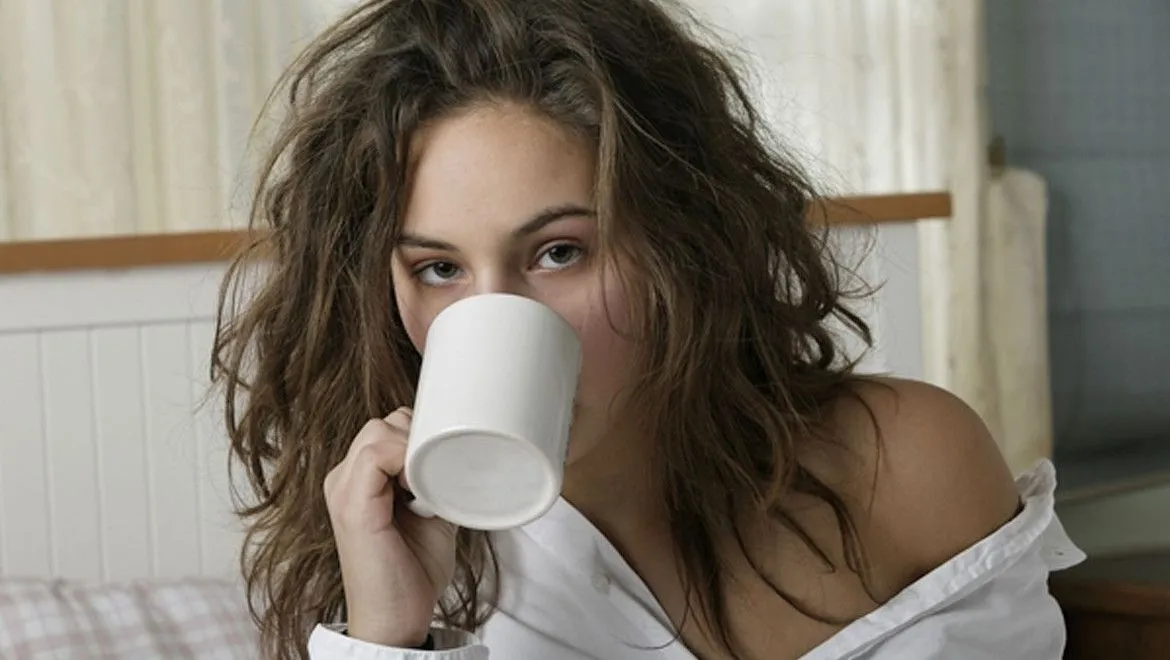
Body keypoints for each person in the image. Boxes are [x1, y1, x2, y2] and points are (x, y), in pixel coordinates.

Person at [212, 0, 1085, 658]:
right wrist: (387, 636)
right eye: (439, 268)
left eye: (559, 252)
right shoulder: (423, 556)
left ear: (678, 241)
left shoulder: (906, 463)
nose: (494, 312)